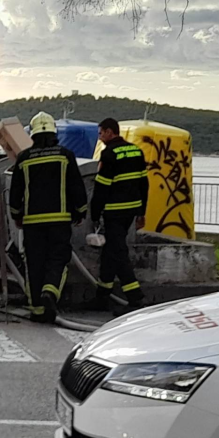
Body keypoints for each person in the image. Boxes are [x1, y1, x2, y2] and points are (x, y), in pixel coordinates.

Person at [9, 112, 88, 324]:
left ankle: (37, 310)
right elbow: (76, 186)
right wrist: (81, 211)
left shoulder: (24, 158)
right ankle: (49, 294)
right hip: (59, 221)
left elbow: (15, 192)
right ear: (55, 133)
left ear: (32, 134)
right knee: (57, 259)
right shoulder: (65, 155)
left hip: (32, 223)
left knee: (34, 263)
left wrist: (16, 215)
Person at [91, 118, 149, 310]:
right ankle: (101, 297)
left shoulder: (108, 154)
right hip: (131, 211)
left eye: (100, 133)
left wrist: (94, 214)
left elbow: (101, 188)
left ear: (109, 132)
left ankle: (135, 297)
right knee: (110, 253)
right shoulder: (136, 151)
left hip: (114, 211)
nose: (100, 138)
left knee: (118, 253)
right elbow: (144, 184)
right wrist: (142, 212)